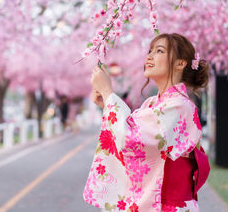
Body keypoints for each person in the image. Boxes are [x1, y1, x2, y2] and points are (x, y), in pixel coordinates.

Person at [84, 33, 210, 212]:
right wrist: (107, 104)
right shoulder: (152, 104)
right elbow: (130, 131)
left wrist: (108, 91)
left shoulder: (181, 106)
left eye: (159, 51)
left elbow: (130, 139)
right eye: (150, 51)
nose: (149, 56)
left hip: (170, 205)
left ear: (180, 63)